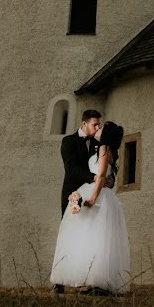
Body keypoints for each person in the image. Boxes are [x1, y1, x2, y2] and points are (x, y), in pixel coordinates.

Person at [50, 120, 131, 295]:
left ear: (106, 134)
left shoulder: (103, 148)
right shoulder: (112, 152)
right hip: (102, 193)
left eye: (101, 128)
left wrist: (93, 198)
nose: (98, 129)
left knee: (88, 236)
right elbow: (109, 177)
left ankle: (94, 282)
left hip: (96, 194)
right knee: (97, 238)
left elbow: (101, 175)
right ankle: (97, 282)